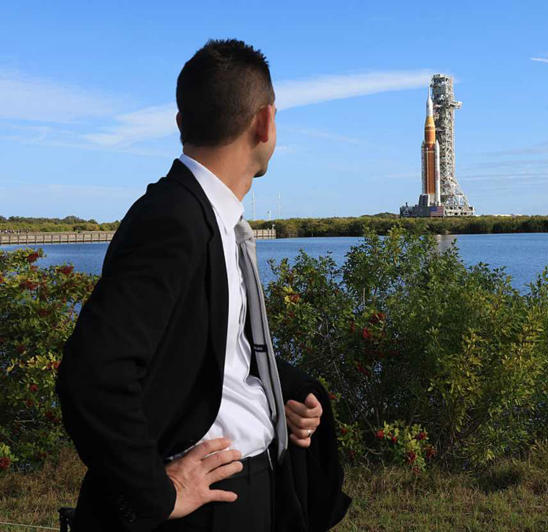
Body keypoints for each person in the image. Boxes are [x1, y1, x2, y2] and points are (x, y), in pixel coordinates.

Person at [56, 39, 350, 532]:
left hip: (252, 489)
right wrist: (154, 493)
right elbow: (92, 374)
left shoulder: (214, 219)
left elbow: (219, 348)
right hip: (205, 510)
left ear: (180, 124)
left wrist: (288, 395)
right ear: (265, 123)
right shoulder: (172, 219)